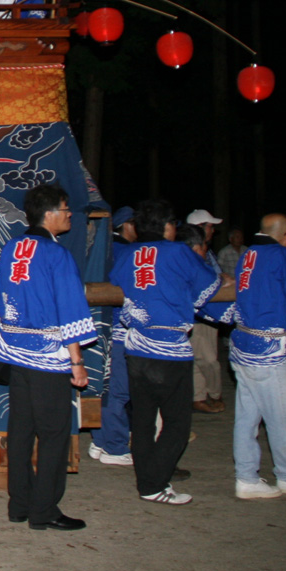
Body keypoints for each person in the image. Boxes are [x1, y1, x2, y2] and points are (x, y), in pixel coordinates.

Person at [0, 184, 94, 531]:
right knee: (54, 433)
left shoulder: (12, 247)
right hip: (47, 358)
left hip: (16, 353)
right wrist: (76, 362)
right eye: (65, 207)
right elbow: (70, 309)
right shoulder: (56, 255)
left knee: (21, 430)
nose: (69, 213)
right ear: (50, 214)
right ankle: (44, 510)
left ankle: (20, 504)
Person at [110, 199, 226, 505]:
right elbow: (207, 289)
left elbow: (118, 291)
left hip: (135, 348)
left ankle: (147, 480)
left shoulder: (127, 255)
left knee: (143, 421)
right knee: (177, 423)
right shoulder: (179, 253)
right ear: (166, 227)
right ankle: (153, 483)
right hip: (169, 350)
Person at [230, 214, 286, 499]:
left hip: (241, 343)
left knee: (247, 416)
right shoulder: (281, 255)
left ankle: (246, 477)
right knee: (280, 417)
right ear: (285, 235)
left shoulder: (248, 254)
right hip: (267, 349)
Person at [89, 204, 136, 467]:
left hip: (98, 327)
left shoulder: (103, 249)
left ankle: (100, 439)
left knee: (102, 386)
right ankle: (116, 447)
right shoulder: (129, 252)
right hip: (120, 329)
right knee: (118, 391)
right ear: (127, 225)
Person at [186, 208, 227, 414]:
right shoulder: (194, 252)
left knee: (201, 357)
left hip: (203, 313)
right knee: (206, 358)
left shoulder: (206, 251)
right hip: (202, 313)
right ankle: (212, 394)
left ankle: (199, 396)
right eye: (210, 226)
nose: (213, 230)